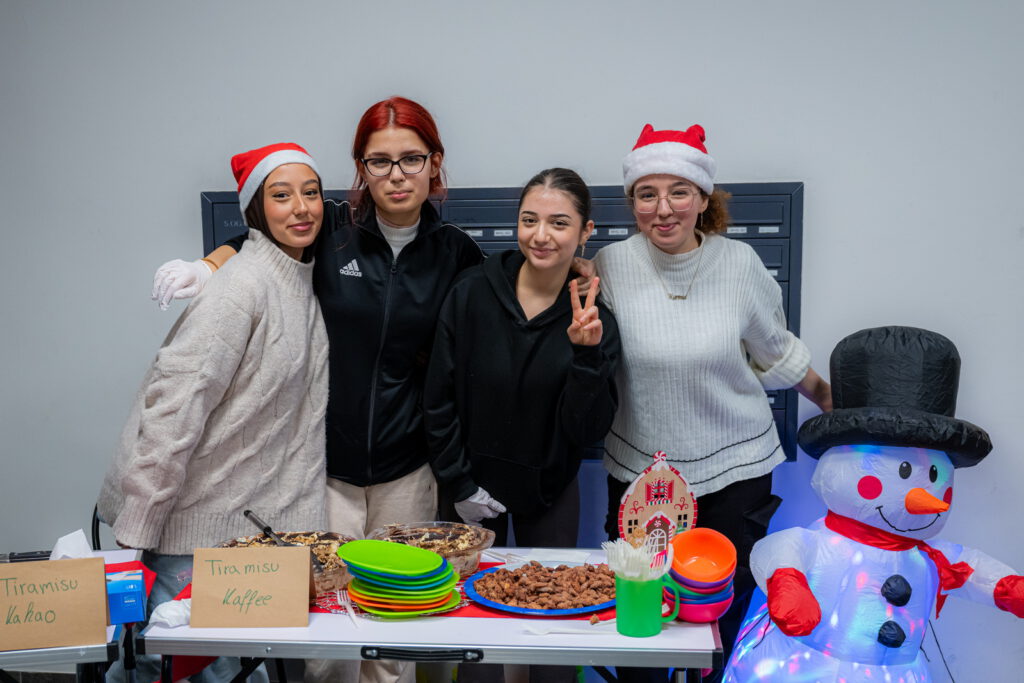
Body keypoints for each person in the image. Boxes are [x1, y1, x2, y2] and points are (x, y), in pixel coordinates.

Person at [148, 97, 484, 683]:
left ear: (435, 164)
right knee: (324, 637)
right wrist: (210, 266)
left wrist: (582, 269)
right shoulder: (328, 230)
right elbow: (256, 240)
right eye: (379, 162)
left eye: (411, 159)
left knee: (393, 638)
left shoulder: (456, 254)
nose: (396, 175)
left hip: (409, 471)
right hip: (321, 469)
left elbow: (510, 298)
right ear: (361, 167)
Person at [592, 124, 832, 683]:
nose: (663, 209)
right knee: (641, 620)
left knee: (719, 620)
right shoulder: (608, 266)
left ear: (704, 198)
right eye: (646, 194)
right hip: (639, 473)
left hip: (734, 468)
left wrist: (832, 405)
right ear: (632, 203)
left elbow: (777, 352)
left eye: (679, 191)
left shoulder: (740, 263)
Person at [97, 142, 328, 683]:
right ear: (255, 209)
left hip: (243, 537)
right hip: (192, 539)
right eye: (281, 195)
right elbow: (174, 408)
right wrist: (137, 531)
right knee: (170, 671)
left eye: (311, 193)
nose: (301, 207)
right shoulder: (239, 290)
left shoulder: (297, 279)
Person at [425, 168, 620, 683]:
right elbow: (438, 399)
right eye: (529, 220)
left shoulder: (595, 317)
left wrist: (586, 355)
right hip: (470, 487)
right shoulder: (471, 293)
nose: (541, 235)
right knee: (473, 642)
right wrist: (460, 483)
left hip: (549, 489)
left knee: (552, 631)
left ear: (585, 232)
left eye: (559, 223)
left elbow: (587, 428)